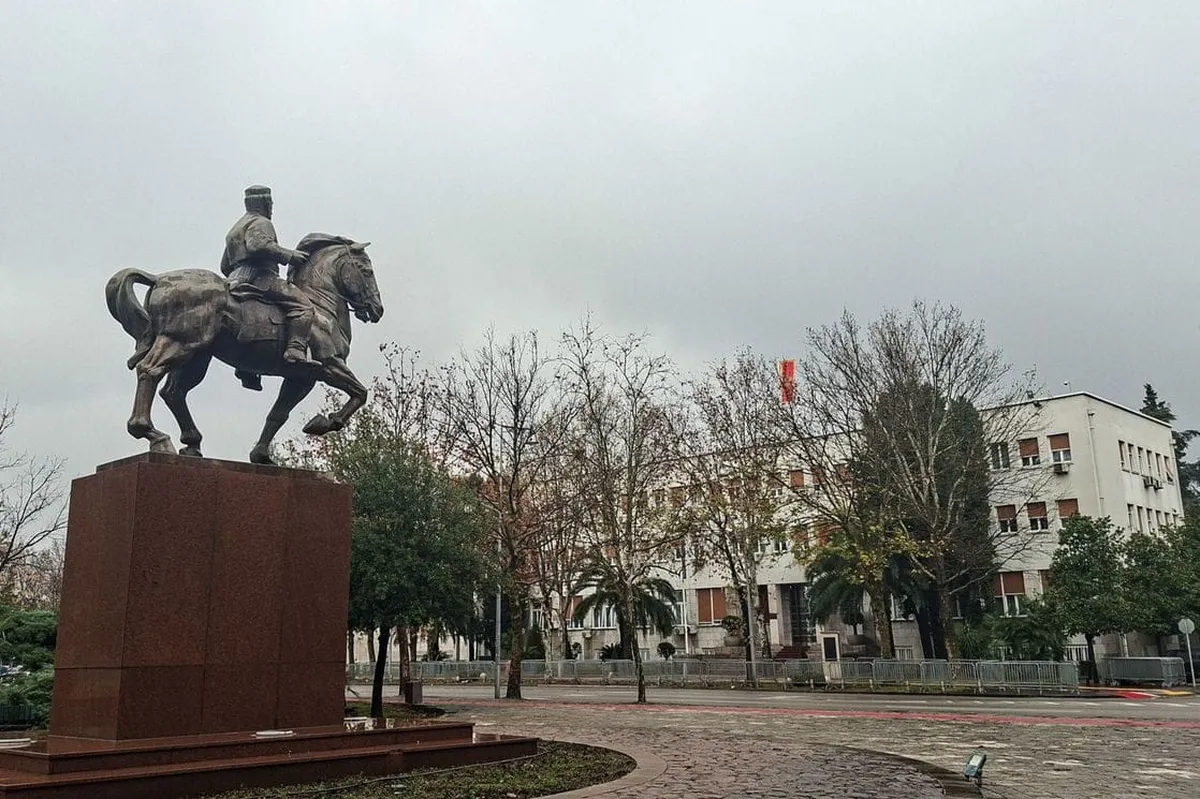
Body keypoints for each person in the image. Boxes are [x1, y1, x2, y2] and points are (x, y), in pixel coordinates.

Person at [220, 185, 318, 390]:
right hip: (261, 276)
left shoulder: (235, 228)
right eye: (270, 203)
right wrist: (289, 255)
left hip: (235, 278)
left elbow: (224, 265)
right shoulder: (261, 222)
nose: (271, 207)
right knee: (304, 307)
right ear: (264, 203)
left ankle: (247, 369)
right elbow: (258, 246)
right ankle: (295, 350)